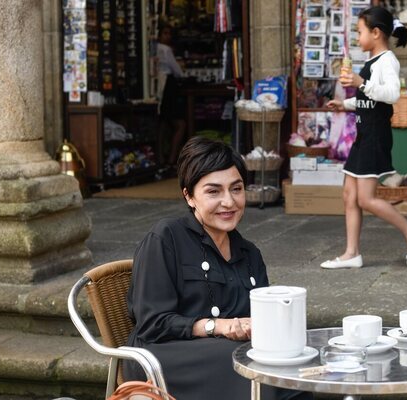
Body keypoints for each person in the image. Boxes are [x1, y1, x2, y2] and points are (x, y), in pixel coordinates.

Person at [124, 137, 311, 400]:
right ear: (189, 196)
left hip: (225, 352)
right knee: (255, 372)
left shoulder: (249, 253)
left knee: (293, 369)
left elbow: (260, 319)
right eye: (214, 192)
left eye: (236, 189)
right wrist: (217, 326)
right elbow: (153, 323)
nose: (229, 202)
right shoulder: (166, 237)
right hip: (164, 355)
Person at [323, 7, 407, 269]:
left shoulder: (387, 60)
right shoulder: (372, 62)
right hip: (363, 135)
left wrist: (360, 81)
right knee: (349, 195)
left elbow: (391, 94)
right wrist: (344, 104)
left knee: (365, 198)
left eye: (360, 32)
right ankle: (351, 253)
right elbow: (368, 99)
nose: (358, 38)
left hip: (374, 138)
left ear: (376, 32)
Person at [156, 24, 187, 167]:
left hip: (158, 86)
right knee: (179, 124)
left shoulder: (153, 48)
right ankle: (171, 159)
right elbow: (177, 71)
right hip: (169, 86)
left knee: (162, 123)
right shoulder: (166, 50)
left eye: (169, 33)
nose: (167, 36)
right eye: (165, 33)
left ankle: (161, 157)